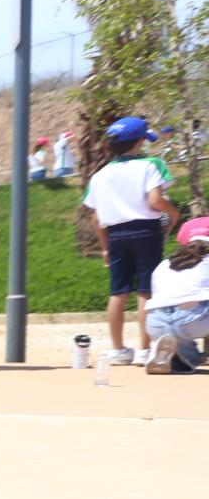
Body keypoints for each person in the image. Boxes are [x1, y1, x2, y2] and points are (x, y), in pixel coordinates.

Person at [85, 116, 180, 366]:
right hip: (145, 231)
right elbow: (155, 201)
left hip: (115, 235)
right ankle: (145, 349)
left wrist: (105, 248)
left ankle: (118, 350)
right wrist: (173, 213)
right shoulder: (151, 164)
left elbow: (96, 218)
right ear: (140, 141)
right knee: (146, 291)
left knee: (118, 292)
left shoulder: (99, 175)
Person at [146, 217, 209, 375]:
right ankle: (183, 356)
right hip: (190, 321)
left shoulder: (165, 264)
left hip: (156, 323)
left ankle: (171, 356)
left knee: (185, 347)